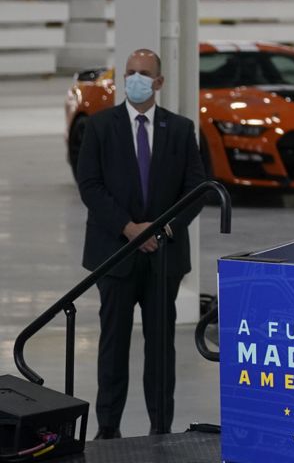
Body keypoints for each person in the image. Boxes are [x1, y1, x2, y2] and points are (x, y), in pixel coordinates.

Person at [77, 48, 207, 438]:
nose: (136, 79)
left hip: (163, 259)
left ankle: (160, 428)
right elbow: (90, 185)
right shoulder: (100, 127)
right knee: (112, 347)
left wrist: (161, 230)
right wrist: (129, 229)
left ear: (159, 82)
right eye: (130, 72)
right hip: (114, 255)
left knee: (160, 351)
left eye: (144, 73)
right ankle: (108, 429)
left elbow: (196, 189)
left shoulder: (181, 130)